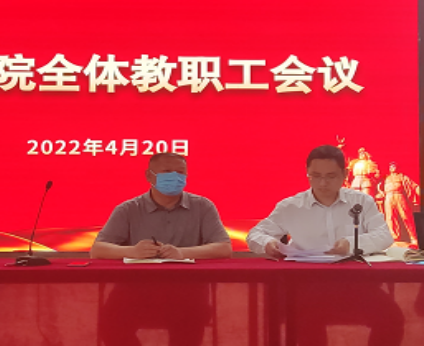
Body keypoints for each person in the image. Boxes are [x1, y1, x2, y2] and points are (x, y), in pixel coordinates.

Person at [247, 145, 403, 346]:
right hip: (306, 287)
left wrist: (351, 244)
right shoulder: (291, 206)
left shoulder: (361, 202)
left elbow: (384, 236)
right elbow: (255, 235)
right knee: (306, 320)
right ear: (307, 174)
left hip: (358, 285)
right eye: (315, 176)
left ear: (344, 174)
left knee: (392, 318)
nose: (322, 183)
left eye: (330, 176)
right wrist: (267, 244)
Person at [91, 152, 232, 346]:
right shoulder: (128, 209)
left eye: (180, 172)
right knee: (110, 327)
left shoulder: (203, 206)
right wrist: (132, 251)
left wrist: (183, 253)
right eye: (167, 171)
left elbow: (224, 248)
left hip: (187, 292)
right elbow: (97, 250)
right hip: (134, 291)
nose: (175, 177)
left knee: (187, 333)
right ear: (149, 176)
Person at [380, 162, 420, 247]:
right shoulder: (386, 178)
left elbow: (413, 185)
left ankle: (413, 237)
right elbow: (379, 187)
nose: (392, 167)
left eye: (394, 166)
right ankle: (394, 238)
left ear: (397, 167)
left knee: (406, 216)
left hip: (399, 195)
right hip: (388, 197)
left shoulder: (402, 177)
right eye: (391, 166)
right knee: (390, 218)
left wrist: (419, 191)